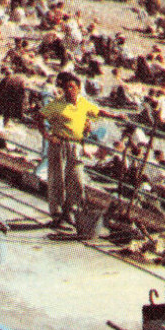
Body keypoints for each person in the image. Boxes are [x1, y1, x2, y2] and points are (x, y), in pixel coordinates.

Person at [38, 71, 100, 229]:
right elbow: (39, 117)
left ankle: (70, 211)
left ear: (79, 88)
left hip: (76, 144)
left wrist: (117, 117)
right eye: (66, 88)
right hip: (59, 143)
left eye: (72, 87)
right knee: (56, 179)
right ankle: (57, 215)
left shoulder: (83, 102)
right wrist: (47, 136)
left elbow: (98, 112)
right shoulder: (57, 104)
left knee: (77, 180)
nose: (69, 90)